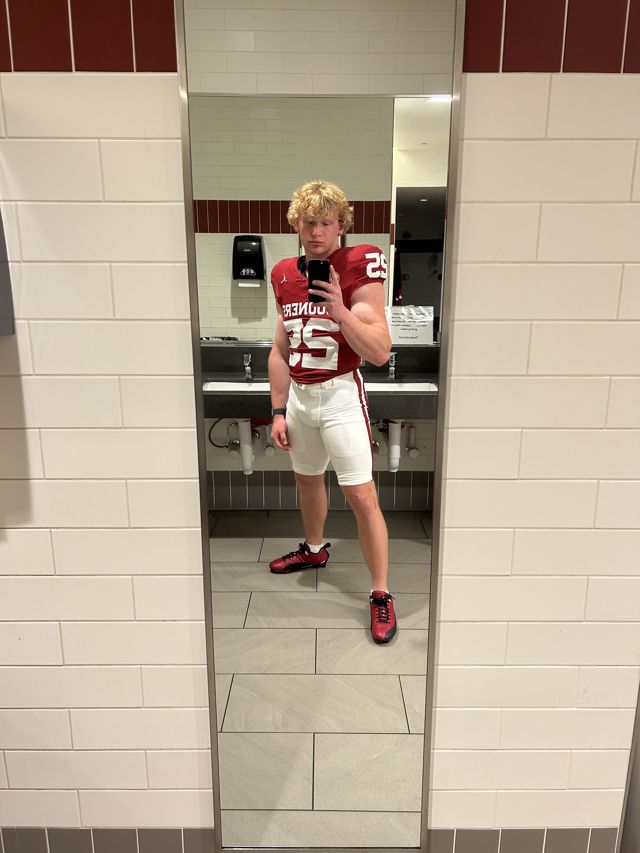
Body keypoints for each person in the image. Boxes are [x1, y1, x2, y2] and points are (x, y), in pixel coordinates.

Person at [267, 179, 397, 644]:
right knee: (307, 480)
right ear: (296, 226)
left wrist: (341, 311)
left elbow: (379, 351)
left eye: (326, 222)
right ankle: (315, 549)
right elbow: (280, 350)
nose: (317, 232)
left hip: (340, 394)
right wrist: (277, 410)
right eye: (309, 223)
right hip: (300, 398)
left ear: (341, 225)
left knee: (362, 496)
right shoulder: (283, 273)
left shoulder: (359, 263)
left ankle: (380, 592)